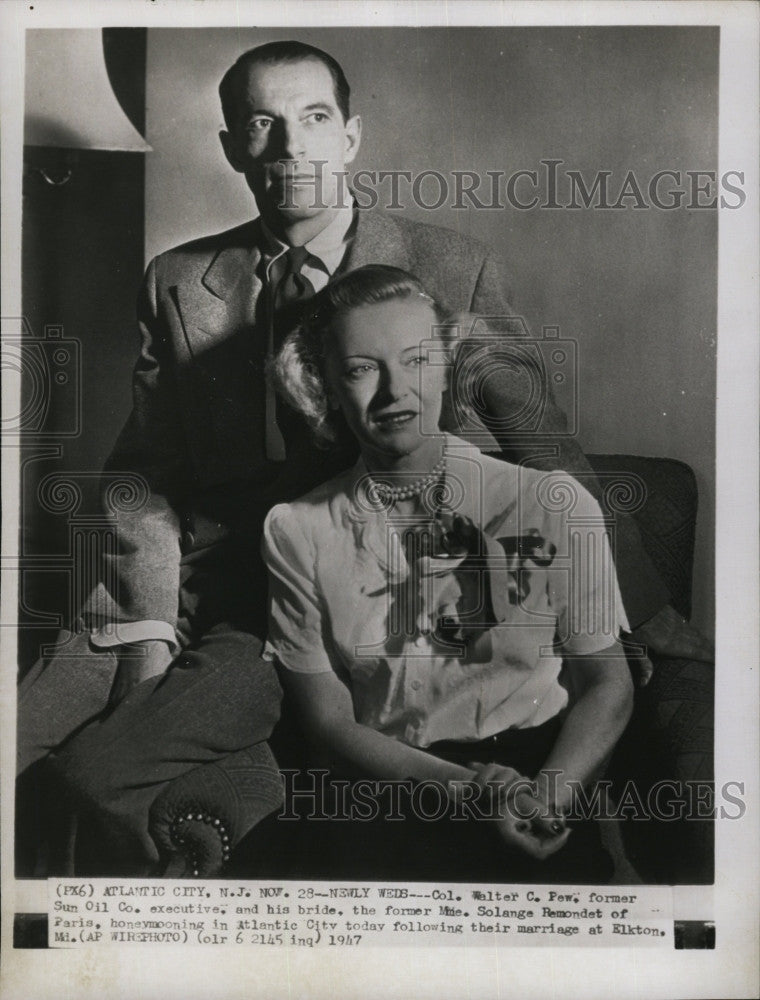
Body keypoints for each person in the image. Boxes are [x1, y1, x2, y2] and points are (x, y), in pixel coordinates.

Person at [17, 39, 707, 872]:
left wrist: (648, 614)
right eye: (262, 124)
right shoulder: (181, 279)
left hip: (391, 574)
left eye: (313, 119)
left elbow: (548, 447)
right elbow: (145, 476)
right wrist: (149, 632)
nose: (291, 147)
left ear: (350, 138)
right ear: (235, 146)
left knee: (116, 762)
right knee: (28, 741)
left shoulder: (451, 265)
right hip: (222, 577)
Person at [262, 264, 634, 881]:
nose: (394, 393)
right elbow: (327, 722)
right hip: (388, 788)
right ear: (323, 385)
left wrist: (542, 800)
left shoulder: (552, 504)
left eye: (416, 361)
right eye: (361, 369)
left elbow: (608, 685)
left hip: (535, 775)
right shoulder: (297, 529)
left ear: (447, 366)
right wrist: (466, 792)